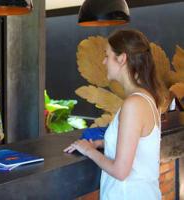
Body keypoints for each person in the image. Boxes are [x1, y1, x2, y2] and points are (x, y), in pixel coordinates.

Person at [64, 29, 164, 200]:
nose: (103, 62)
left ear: (122, 58)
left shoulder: (134, 104)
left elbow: (120, 171)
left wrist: (88, 150)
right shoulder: (145, 98)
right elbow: (135, 142)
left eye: (107, 55)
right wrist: (100, 143)